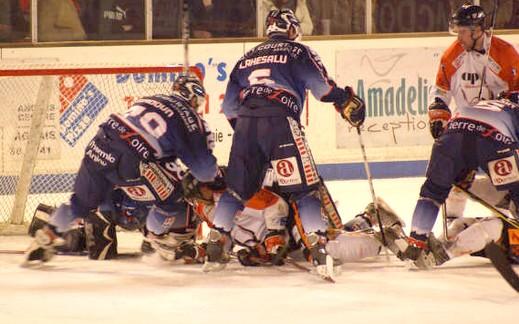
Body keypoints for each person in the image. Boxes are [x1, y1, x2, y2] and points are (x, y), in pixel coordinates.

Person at [202, 9, 365, 278]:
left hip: (245, 125)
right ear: (291, 30)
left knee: (235, 192)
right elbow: (323, 88)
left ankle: (215, 245)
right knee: (304, 191)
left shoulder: (245, 59)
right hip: (280, 121)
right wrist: (344, 100)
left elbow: (229, 109)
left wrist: (251, 134)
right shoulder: (298, 51)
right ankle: (318, 247)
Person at [25, 74, 222, 263]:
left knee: (80, 204)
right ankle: (158, 239)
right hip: (133, 156)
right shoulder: (190, 118)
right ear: (194, 97)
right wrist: (217, 178)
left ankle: (46, 237)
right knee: (179, 195)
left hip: (100, 144)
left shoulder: (150, 100)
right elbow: (204, 170)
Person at [404, 91, 519, 267]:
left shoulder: (491, 104)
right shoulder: (514, 110)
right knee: (515, 196)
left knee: (432, 192)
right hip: (494, 140)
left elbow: (470, 136)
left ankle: (416, 240)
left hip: (452, 133)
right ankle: (446, 251)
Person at [428, 3, 519, 223]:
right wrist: (439, 115)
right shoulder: (452, 55)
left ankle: (512, 224)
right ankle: (452, 223)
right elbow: (440, 90)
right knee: (455, 182)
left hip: (498, 136)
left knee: (510, 180)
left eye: (463, 31)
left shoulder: (505, 53)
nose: (458, 37)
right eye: (457, 30)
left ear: (478, 30)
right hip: (466, 129)